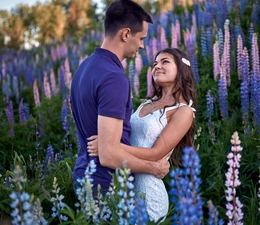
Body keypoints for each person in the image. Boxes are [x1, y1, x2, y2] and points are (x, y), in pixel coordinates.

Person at [70, 0, 171, 199]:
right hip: (107, 187)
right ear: (125, 34)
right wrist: (153, 168)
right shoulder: (113, 77)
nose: (142, 46)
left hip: (84, 177)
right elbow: (109, 155)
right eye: (141, 38)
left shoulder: (83, 68)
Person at [88, 47, 197, 222]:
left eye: (165, 62)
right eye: (155, 63)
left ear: (181, 70)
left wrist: (110, 147)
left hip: (149, 192)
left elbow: (156, 154)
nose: (157, 66)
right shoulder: (147, 102)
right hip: (125, 187)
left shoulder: (183, 111)